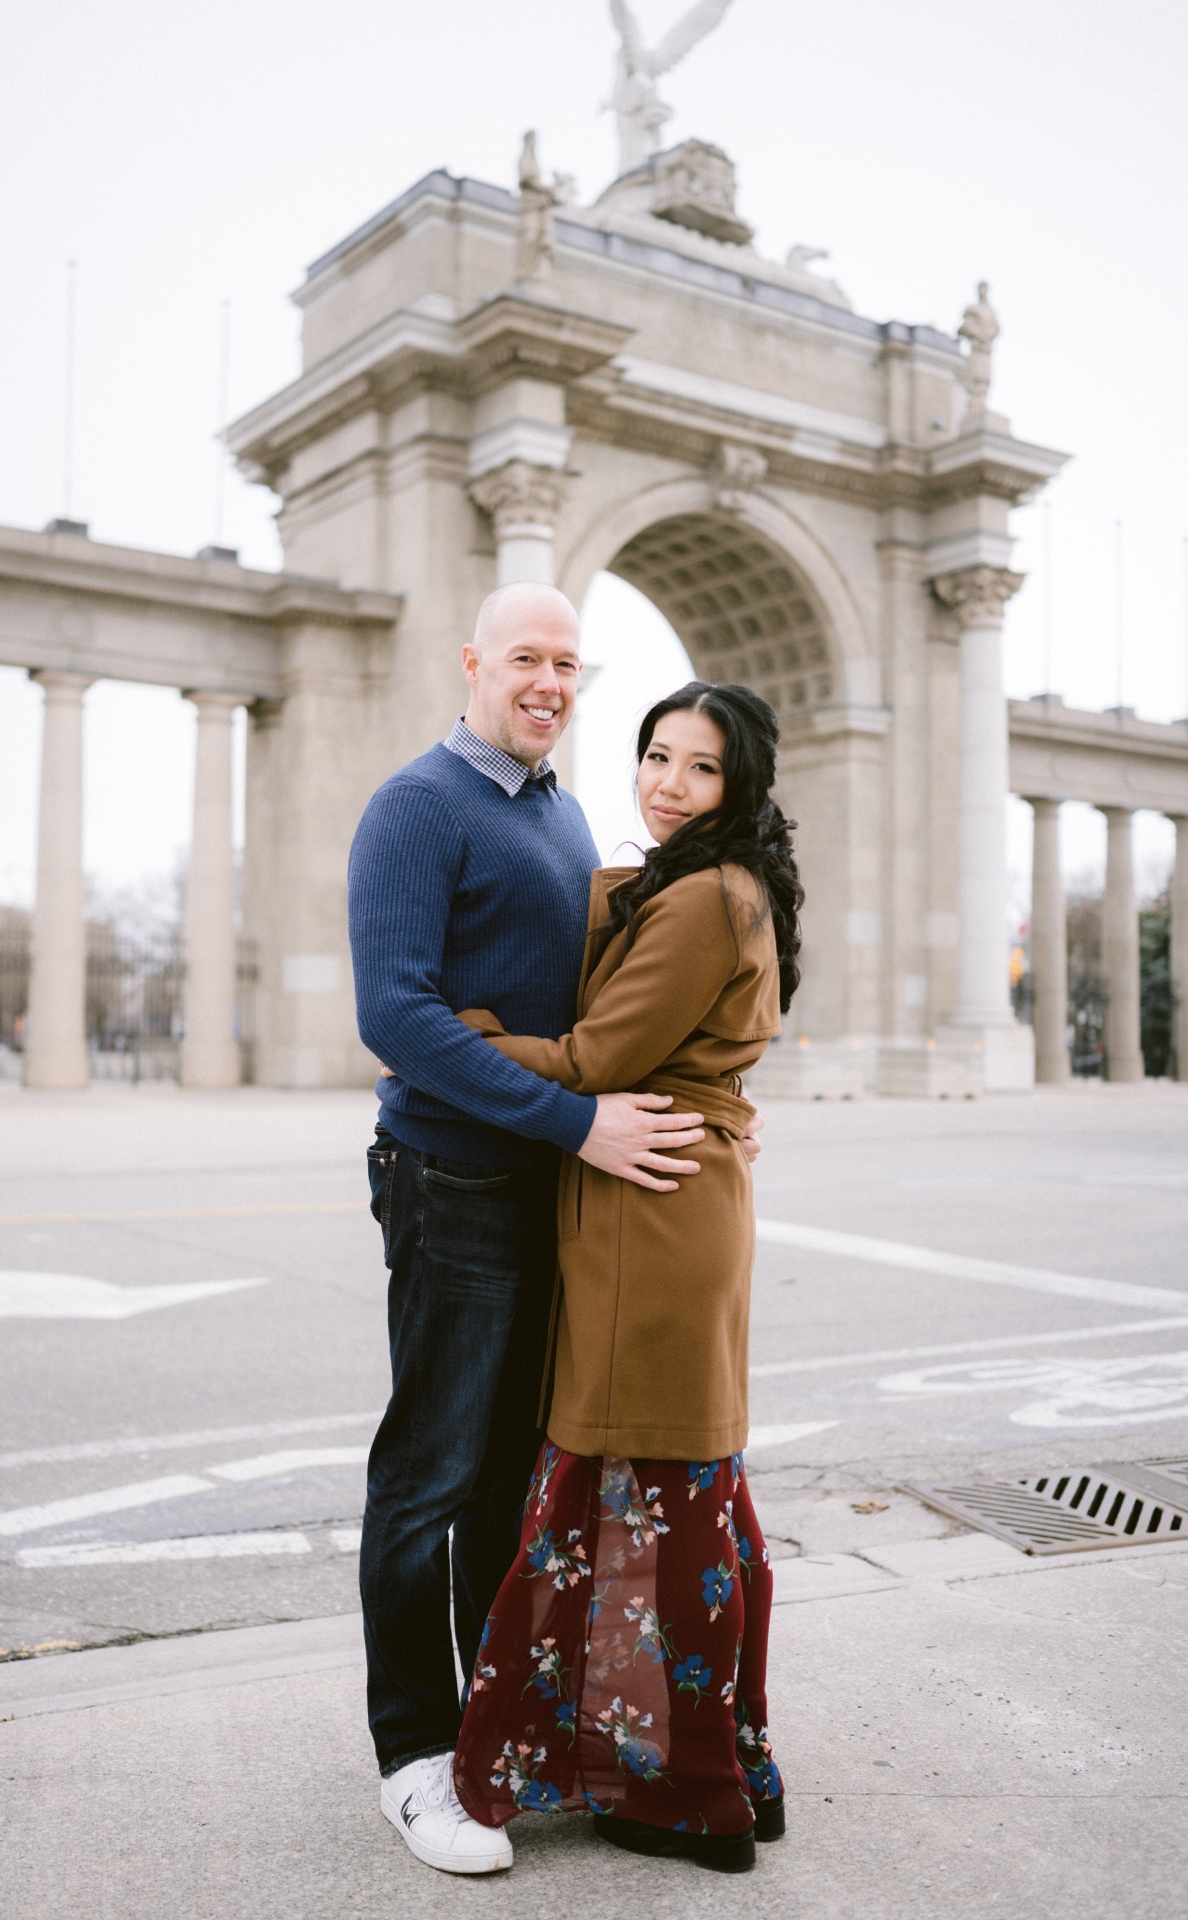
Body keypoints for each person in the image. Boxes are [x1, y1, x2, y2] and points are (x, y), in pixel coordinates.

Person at [348, 584, 766, 1876]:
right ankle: (416, 1755)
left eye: (568, 665)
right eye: (525, 657)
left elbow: (651, 996)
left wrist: (710, 1097)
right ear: (472, 661)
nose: (547, 681)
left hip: (549, 1188)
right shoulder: (418, 807)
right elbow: (399, 1017)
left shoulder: (560, 810)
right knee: (428, 1473)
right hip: (459, 1177)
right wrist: (573, 1118)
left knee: (507, 1487)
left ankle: (497, 1734)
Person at [451, 679, 803, 1875]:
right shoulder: (715, 884)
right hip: (678, 1201)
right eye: (655, 755)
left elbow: (598, 1055)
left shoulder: (704, 896)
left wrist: (465, 1036)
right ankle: (721, 1763)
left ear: (737, 786)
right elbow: (631, 960)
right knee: (686, 1490)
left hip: (644, 1214)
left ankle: (681, 1793)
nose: (665, 782)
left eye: (699, 768)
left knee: (646, 1495)